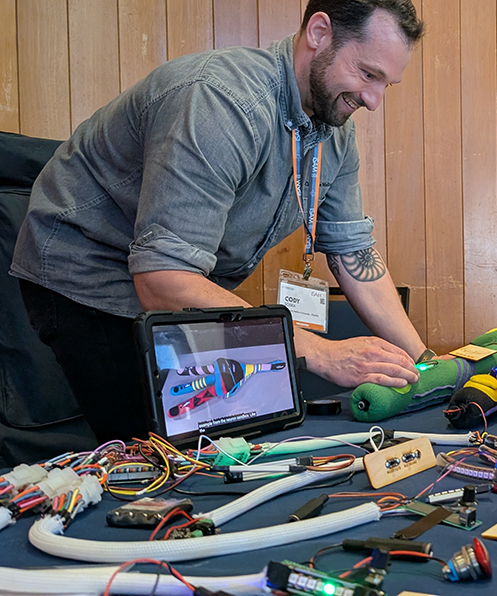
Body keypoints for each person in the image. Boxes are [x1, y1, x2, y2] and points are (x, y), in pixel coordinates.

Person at [10, 0, 432, 443]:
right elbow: (162, 277)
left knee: (220, 433)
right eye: (367, 74)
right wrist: (319, 352)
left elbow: (353, 252)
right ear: (319, 32)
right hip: (88, 272)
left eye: (386, 83)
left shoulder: (335, 132)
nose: (374, 101)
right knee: (164, 449)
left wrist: (424, 359)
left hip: (169, 283)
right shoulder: (221, 102)